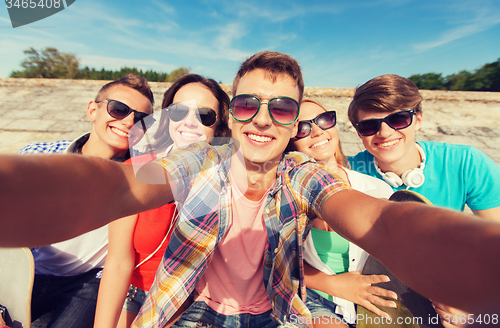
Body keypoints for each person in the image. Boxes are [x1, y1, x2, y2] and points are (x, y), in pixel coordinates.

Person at [1, 52, 500, 328]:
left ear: (294, 120)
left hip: (278, 312)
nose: (262, 119)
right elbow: (118, 189)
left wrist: (477, 260)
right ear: (232, 113)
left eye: (282, 108)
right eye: (247, 104)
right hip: (191, 307)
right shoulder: (196, 162)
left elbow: (374, 220)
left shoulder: (300, 174)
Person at [347, 74, 500, 327]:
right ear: (359, 132)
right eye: (369, 125)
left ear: (418, 118)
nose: (384, 133)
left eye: (398, 119)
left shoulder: (466, 163)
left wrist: (470, 302)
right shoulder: (348, 173)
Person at [17, 74, 154, 328]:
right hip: (24, 270)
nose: (128, 122)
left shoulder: (138, 180)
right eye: (119, 109)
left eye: (141, 119)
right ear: (93, 109)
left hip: (85, 283)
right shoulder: (37, 155)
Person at [94, 74, 230, 328]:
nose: (190, 123)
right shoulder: (136, 170)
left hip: (193, 301)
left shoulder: (229, 183)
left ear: (218, 127)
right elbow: (118, 261)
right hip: (135, 294)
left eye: (205, 116)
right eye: (179, 112)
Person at [286, 100, 396, 327]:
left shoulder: (376, 189)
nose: (317, 132)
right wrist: (334, 285)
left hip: (372, 300)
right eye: (303, 128)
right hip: (312, 299)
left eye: (324, 120)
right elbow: (277, 264)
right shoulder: (284, 194)